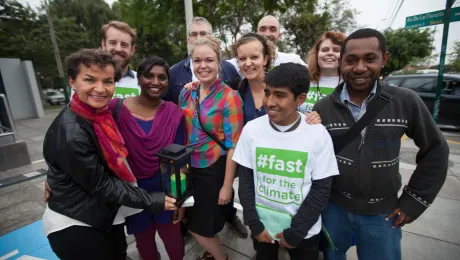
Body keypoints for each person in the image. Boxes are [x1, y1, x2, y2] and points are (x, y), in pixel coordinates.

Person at [313, 28, 449, 260]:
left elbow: (436, 150)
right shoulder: (323, 108)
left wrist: (413, 201)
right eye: (351, 60)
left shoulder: (405, 101)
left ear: (384, 59)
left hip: (383, 215)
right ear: (341, 62)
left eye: (370, 58)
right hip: (333, 210)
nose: (359, 68)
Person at [42, 49, 177, 260]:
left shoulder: (100, 115)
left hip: (104, 214)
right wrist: (154, 199)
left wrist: (54, 175)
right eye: (89, 80)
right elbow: (102, 184)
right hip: (76, 222)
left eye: (108, 81)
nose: (100, 89)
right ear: (72, 81)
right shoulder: (73, 132)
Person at [233, 63, 339, 260]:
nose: (270, 102)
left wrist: (297, 231)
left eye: (280, 95)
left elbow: (322, 187)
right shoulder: (252, 129)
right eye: (267, 93)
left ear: (300, 99)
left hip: (303, 231)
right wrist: (253, 223)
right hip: (262, 227)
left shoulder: (317, 134)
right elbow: (246, 180)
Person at [108, 56, 185, 260]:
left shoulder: (174, 113)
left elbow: (179, 162)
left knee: (173, 241)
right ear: (138, 78)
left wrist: (180, 201)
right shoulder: (115, 109)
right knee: (144, 243)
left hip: (166, 193)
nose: (156, 82)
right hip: (133, 191)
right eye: (149, 75)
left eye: (162, 77)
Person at [179, 36, 244, 260]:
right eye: (197, 61)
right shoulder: (187, 92)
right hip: (187, 166)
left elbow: (234, 145)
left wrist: (227, 185)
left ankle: (220, 257)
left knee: (199, 226)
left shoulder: (230, 97)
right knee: (190, 216)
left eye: (209, 60)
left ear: (219, 63)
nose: (203, 65)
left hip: (212, 166)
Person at [164, 17, 240, 106]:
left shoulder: (229, 68)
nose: (198, 38)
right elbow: (167, 106)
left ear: (212, 37)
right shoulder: (175, 72)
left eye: (203, 33)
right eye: (194, 34)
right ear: (188, 39)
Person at [70, 21, 140, 99]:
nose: (118, 49)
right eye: (113, 43)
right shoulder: (84, 79)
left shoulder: (141, 81)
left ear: (132, 50)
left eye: (124, 45)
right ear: (103, 44)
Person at [228, 15, 306, 74]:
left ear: (279, 35)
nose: (267, 34)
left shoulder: (293, 60)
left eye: (273, 29)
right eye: (263, 29)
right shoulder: (236, 63)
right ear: (257, 33)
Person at [299, 31, 346, 113]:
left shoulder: (349, 84)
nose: (330, 53)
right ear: (317, 54)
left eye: (336, 50)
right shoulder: (302, 79)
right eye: (325, 50)